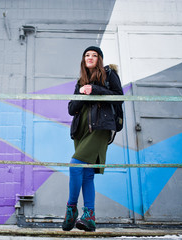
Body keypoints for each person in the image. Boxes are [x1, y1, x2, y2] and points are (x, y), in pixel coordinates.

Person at [62, 46, 123, 232]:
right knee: (87, 173)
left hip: (100, 127)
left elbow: (119, 97)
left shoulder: (109, 73)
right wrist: (83, 92)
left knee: (75, 164)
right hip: (81, 130)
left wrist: (95, 89)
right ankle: (90, 216)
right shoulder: (80, 81)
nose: (90, 58)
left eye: (94, 55)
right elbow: (72, 109)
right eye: (87, 55)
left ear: (100, 59)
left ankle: (71, 209)